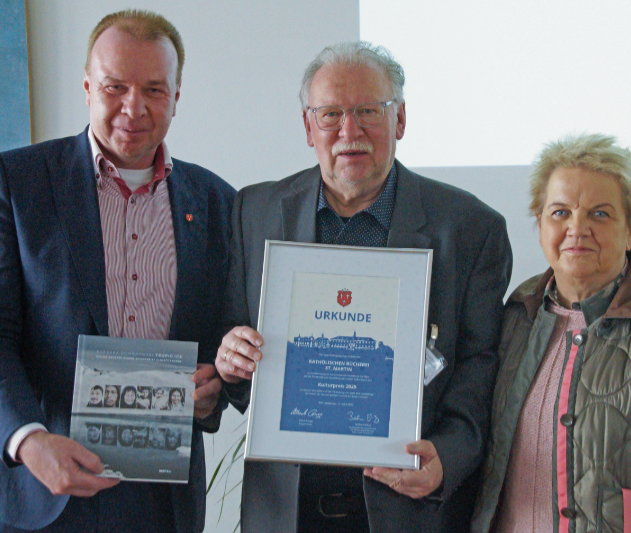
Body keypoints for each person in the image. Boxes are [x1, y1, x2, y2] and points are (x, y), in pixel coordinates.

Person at [0, 9, 234, 532]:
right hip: (35, 489)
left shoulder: (217, 202)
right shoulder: (19, 181)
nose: (134, 107)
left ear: (176, 96)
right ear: (87, 87)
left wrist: (215, 384)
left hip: (159, 498)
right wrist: (28, 440)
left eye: (154, 89)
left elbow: (226, 334)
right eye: (114, 87)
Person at [215, 42, 512, 533]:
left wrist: (449, 455)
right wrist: (232, 359)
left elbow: (482, 367)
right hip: (285, 513)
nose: (349, 132)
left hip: (410, 509)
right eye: (330, 114)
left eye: (368, 112)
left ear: (399, 121)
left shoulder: (471, 228)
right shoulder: (255, 211)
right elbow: (233, 340)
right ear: (308, 127)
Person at [470, 133, 631, 532]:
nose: (578, 228)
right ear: (538, 224)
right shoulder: (514, 319)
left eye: (600, 214)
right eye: (560, 213)